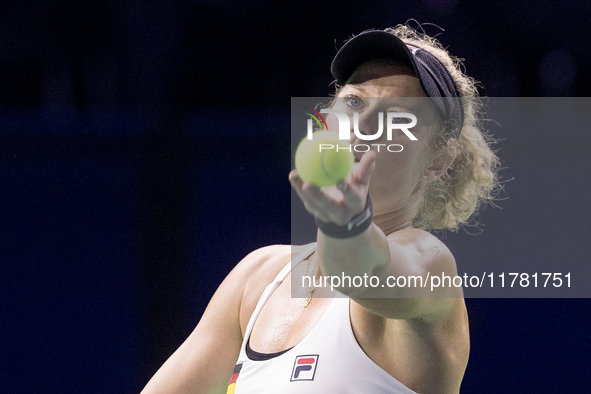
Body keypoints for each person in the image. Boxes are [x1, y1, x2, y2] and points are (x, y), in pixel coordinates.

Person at [141, 25, 500, 394]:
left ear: (437, 161)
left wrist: (349, 226)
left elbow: (359, 271)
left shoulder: (430, 263)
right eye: (355, 101)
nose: (361, 126)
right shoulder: (258, 278)